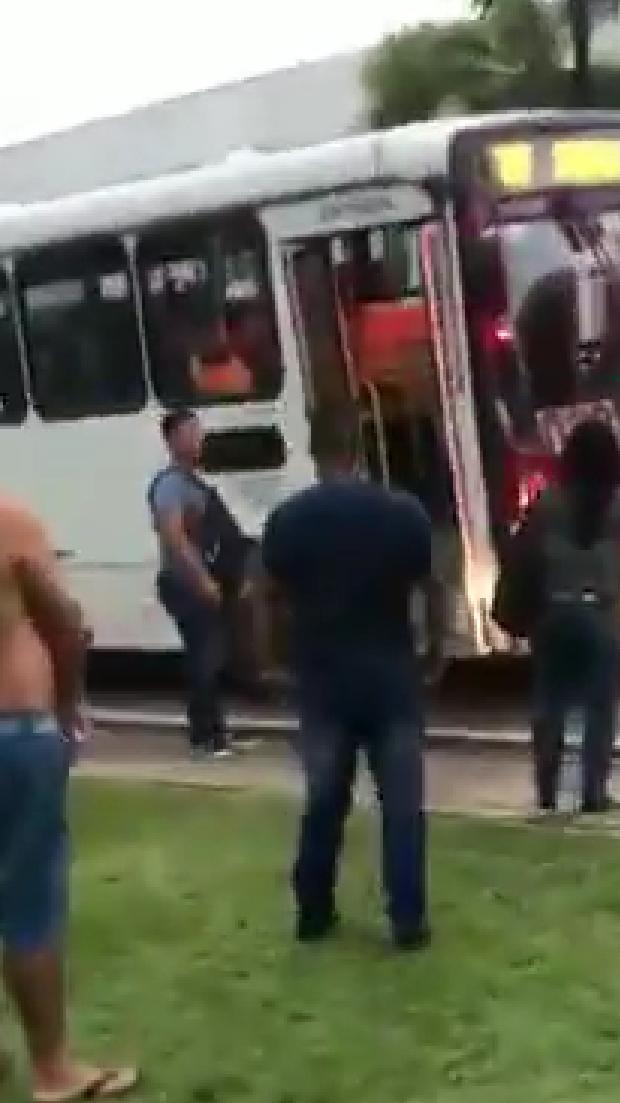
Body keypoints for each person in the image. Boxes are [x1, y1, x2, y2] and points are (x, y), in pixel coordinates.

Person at [261, 408, 432, 950]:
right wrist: (434, 649)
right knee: (402, 807)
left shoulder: (290, 519)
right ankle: (408, 919)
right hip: (390, 675)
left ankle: (314, 909)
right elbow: (431, 588)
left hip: (325, 677)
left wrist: (270, 661)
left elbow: (262, 595)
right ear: (361, 449)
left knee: (324, 800)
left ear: (314, 452)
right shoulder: (403, 513)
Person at [0, 495, 138, 1102]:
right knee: (28, 905)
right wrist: (68, 708)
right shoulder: (9, 520)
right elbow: (62, 621)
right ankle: (52, 1071)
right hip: (12, 730)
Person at [514, 420, 620, 816]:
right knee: (599, 709)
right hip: (601, 615)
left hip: (554, 613)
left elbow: (526, 553)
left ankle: (547, 790)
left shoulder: (548, 504)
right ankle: (593, 793)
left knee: (550, 703)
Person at [149, 410, 247, 758]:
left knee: (210, 655)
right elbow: (174, 539)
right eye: (191, 432)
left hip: (199, 581)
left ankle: (212, 730)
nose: (198, 439)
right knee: (203, 657)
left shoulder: (193, 483)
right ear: (173, 439)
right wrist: (203, 580)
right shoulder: (170, 485)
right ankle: (206, 736)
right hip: (185, 583)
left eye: (198, 432)